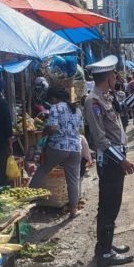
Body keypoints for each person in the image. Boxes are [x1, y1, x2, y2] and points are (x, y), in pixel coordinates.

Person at [85, 56, 134, 267]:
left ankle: (105, 245)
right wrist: (122, 160)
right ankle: (104, 253)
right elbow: (100, 139)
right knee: (108, 205)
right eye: (114, 74)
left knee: (112, 204)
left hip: (115, 160)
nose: (117, 77)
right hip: (110, 162)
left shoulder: (106, 96)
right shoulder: (93, 100)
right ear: (107, 77)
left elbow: (121, 109)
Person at [29, 87, 84, 219]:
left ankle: (28, 201)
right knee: (73, 180)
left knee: (42, 169)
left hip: (58, 146)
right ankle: (73, 210)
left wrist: (46, 130)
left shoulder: (55, 108)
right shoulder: (77, 110)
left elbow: (53, 127)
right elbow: (81, 128)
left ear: (54, 98)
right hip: (75, 147)